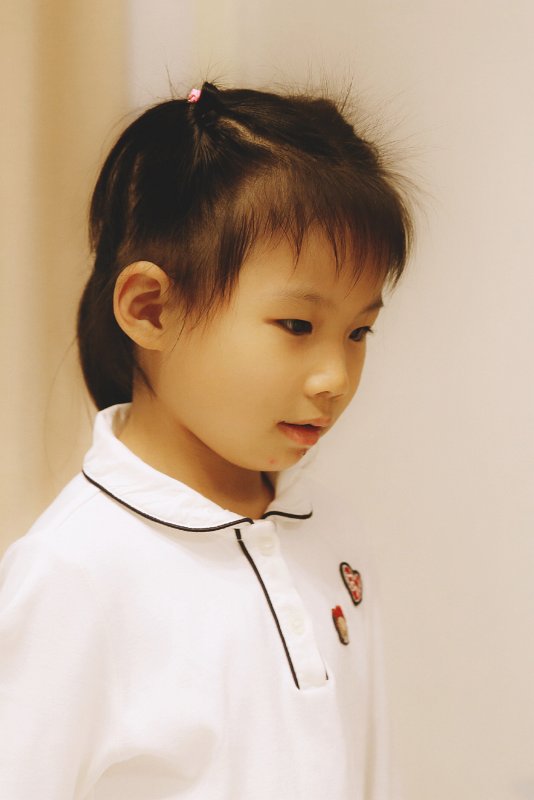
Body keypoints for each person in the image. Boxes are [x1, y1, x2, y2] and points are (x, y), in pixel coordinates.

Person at [0, 80, 413, 799]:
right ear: (152, 309)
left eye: (359, 332)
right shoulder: (74, 573)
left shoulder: (330, 531)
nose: (335, 378)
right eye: (297, 325)